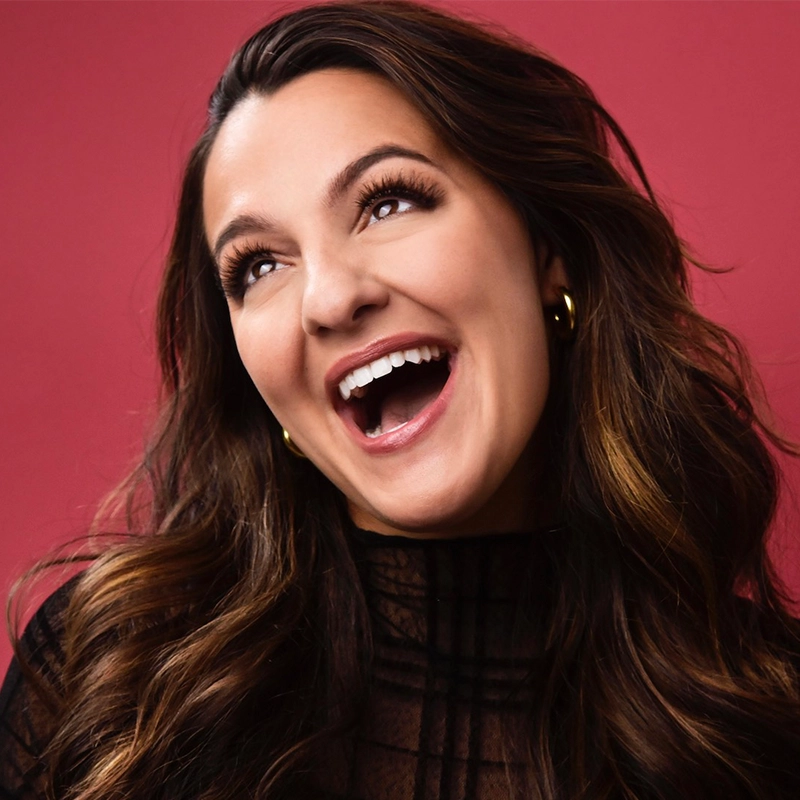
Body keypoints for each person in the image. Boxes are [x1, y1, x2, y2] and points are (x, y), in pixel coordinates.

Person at [2, 1, 799, 798]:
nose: (329, 299)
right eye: (259, 266)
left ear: (545, 248)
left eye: (387, 203)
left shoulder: (769, 721)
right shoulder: (106, 682)